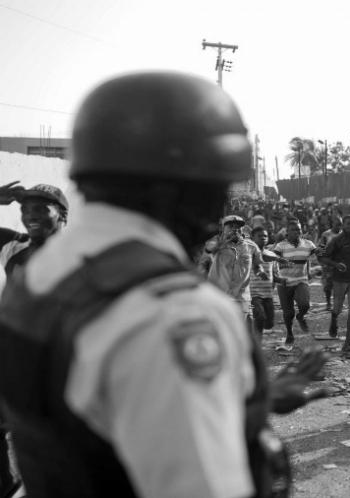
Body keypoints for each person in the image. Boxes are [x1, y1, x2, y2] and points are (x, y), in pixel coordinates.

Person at [0, 72, 327, 497]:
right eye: (218, 188)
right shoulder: (177, 310)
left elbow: (101, 412)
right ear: (189, 187)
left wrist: (249, 403)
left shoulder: (44, 270)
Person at [0, 181, 69, 498]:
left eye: (42, 208)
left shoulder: (81, 258)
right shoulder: (14, 248)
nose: (31, 214)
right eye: (26, 208)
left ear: (63, 216)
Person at [207, 214, 265, 330]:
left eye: (239, 227)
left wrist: (260, 272)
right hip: (220, 296)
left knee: (241, 330)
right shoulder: (216, 243)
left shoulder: (251, 246)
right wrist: (225, 241)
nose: (235, 229)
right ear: (223, 229)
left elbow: (257, 265)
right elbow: (209, 249)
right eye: (231, 226)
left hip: (241, 296)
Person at [318, 214, 350, 351]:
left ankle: (347, 342)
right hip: (340, 279)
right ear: (343, 226)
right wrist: (336, 264)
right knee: (338, 307)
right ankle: (334, 318)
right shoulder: (335, 241)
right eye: (349, 224)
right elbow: (324, 257)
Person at [271, 220, 317, 345]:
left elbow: (317, 255)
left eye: (299, 229)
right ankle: (289, 333)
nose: (297, 232)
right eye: (294, 230)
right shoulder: (281, 246)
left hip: (300, 281)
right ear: (287, 233)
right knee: (288, 313)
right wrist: (274, 277)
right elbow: (272, 260)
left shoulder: (308, 244)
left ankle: (301, 316)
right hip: (284, 283)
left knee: (305, 304)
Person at [250, 226, 282, 342]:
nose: (263, 238)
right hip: (253, 294)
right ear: (252, 238)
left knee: (269, 324)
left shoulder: (272, 255)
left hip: (268, 294)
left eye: (265, 236)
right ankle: (256, 342)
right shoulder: (249, 254)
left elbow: (275, 275)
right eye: (260, 236)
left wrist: (282, 280)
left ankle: (253, 332)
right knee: (260, 317)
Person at [317, 217, 342, 311]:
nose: (339, 226)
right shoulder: (326, 235)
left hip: (340, 264)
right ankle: (328, 303)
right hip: (328, 264)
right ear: (333, 224)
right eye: (337, 224)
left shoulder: (344, 234)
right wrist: (321, 261)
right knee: (328, 285)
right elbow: (321, 248)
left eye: (340, 224)